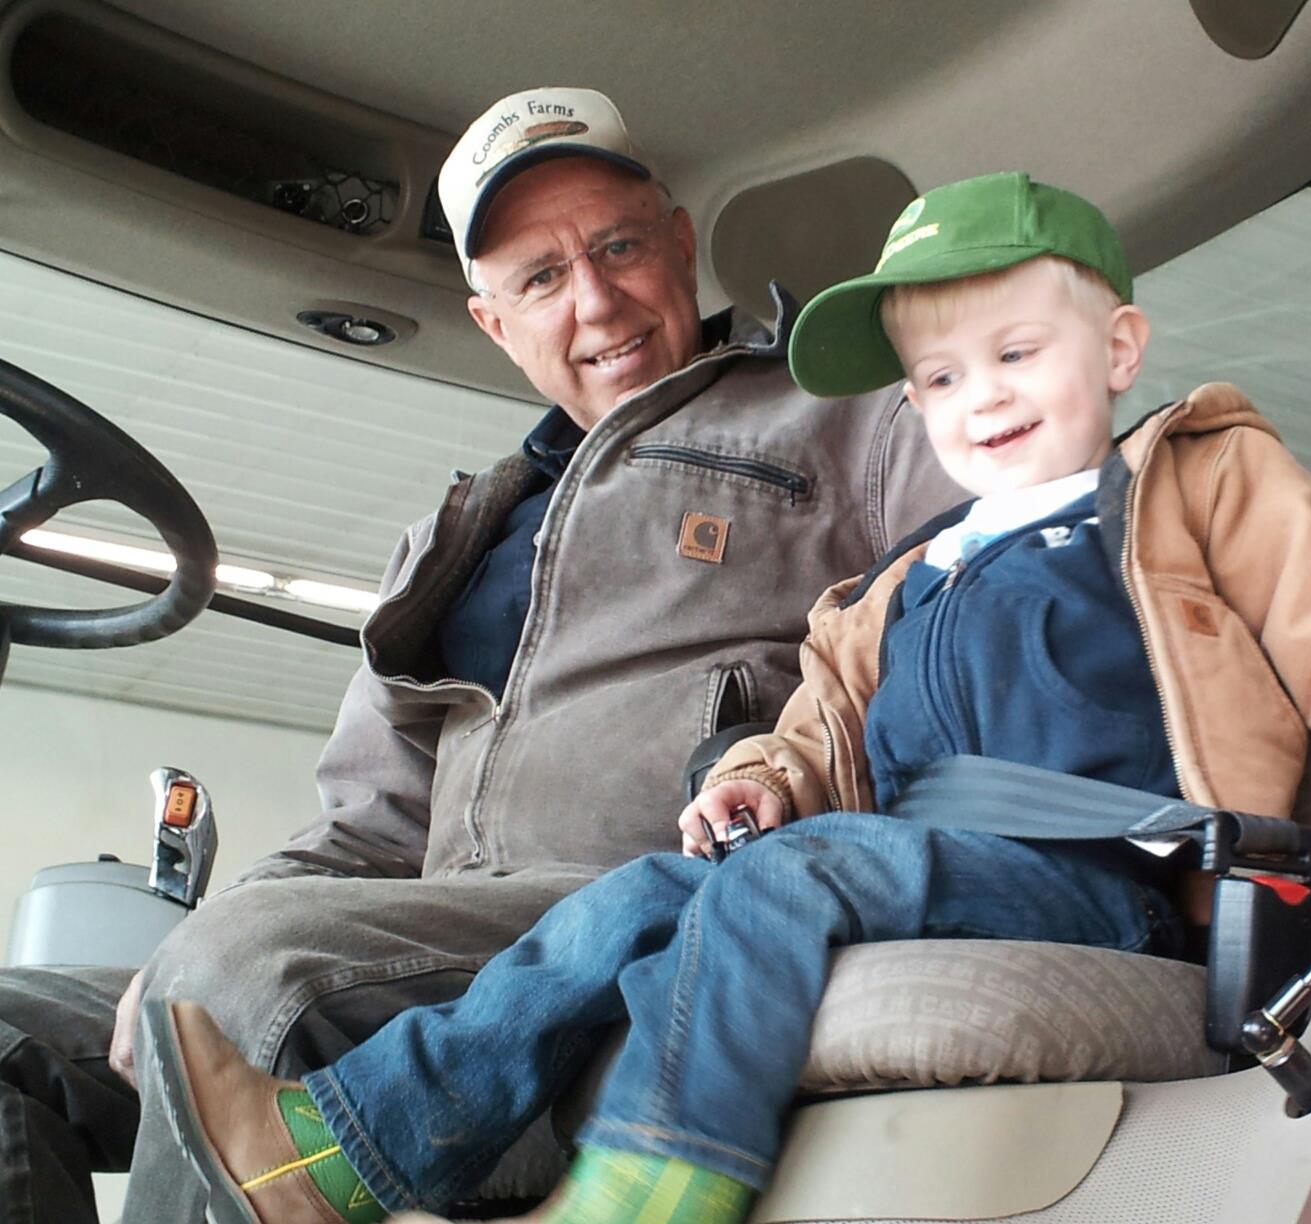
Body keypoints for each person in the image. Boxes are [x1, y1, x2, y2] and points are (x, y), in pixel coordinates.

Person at [141, 171, 1311, 1224]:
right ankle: (344, 1158)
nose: (981, 397)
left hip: (1115, 873)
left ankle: (649, 1194)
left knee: (794, 879)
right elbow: (819, 732)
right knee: (651, 892)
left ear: (1118, 350)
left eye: (1018, 352)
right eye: (939, 376)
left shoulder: (1184, 483)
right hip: (921, 867)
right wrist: (759, 783)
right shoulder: (894, 588)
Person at [0, 86, 962, 1224]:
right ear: (493, 323)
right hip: (422, 929)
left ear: (681, 242)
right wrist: (200, 933)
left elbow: (994, 592)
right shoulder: (456, 536)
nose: (597, 300)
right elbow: (363, 832)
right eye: (543, 279)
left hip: (644, 904)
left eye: (619, 246)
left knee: (243, 975)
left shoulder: (848, 415)